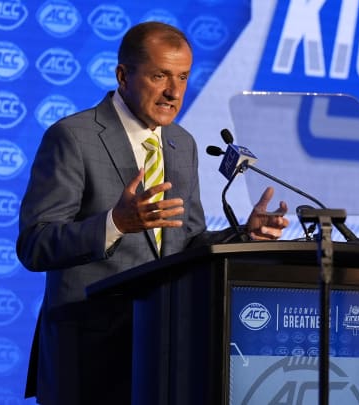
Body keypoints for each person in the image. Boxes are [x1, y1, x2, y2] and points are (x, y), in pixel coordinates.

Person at [16, 21, 288, 404]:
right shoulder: (73, 137)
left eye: (182, 77)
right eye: (159, 76)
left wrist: (244, 234)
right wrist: (115, 223)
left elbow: (186, 242)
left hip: (163, 353)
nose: (173, 92)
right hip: (89, 357)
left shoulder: (181, 143)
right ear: (123, 75)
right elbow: (35, 243)